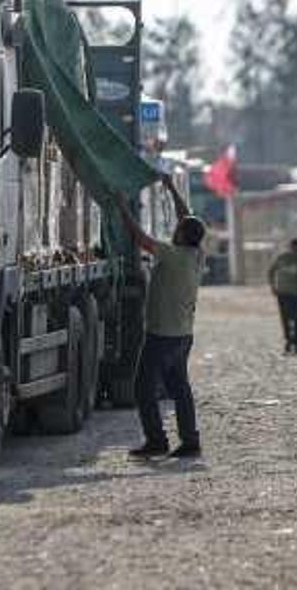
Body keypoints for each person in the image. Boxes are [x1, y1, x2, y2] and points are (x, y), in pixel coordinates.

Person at [117, 174, 206, 459]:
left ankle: (156, 440)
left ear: (181, 235)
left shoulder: (171, 254)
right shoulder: (195, 254)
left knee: (143, 388)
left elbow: (141, 239)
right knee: (180, 387)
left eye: (178, 229)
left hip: (162, 335)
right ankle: (190, 440)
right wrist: (170, 187)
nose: (175, 229)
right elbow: (188, 217)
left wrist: (122, 207)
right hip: (183, 334)